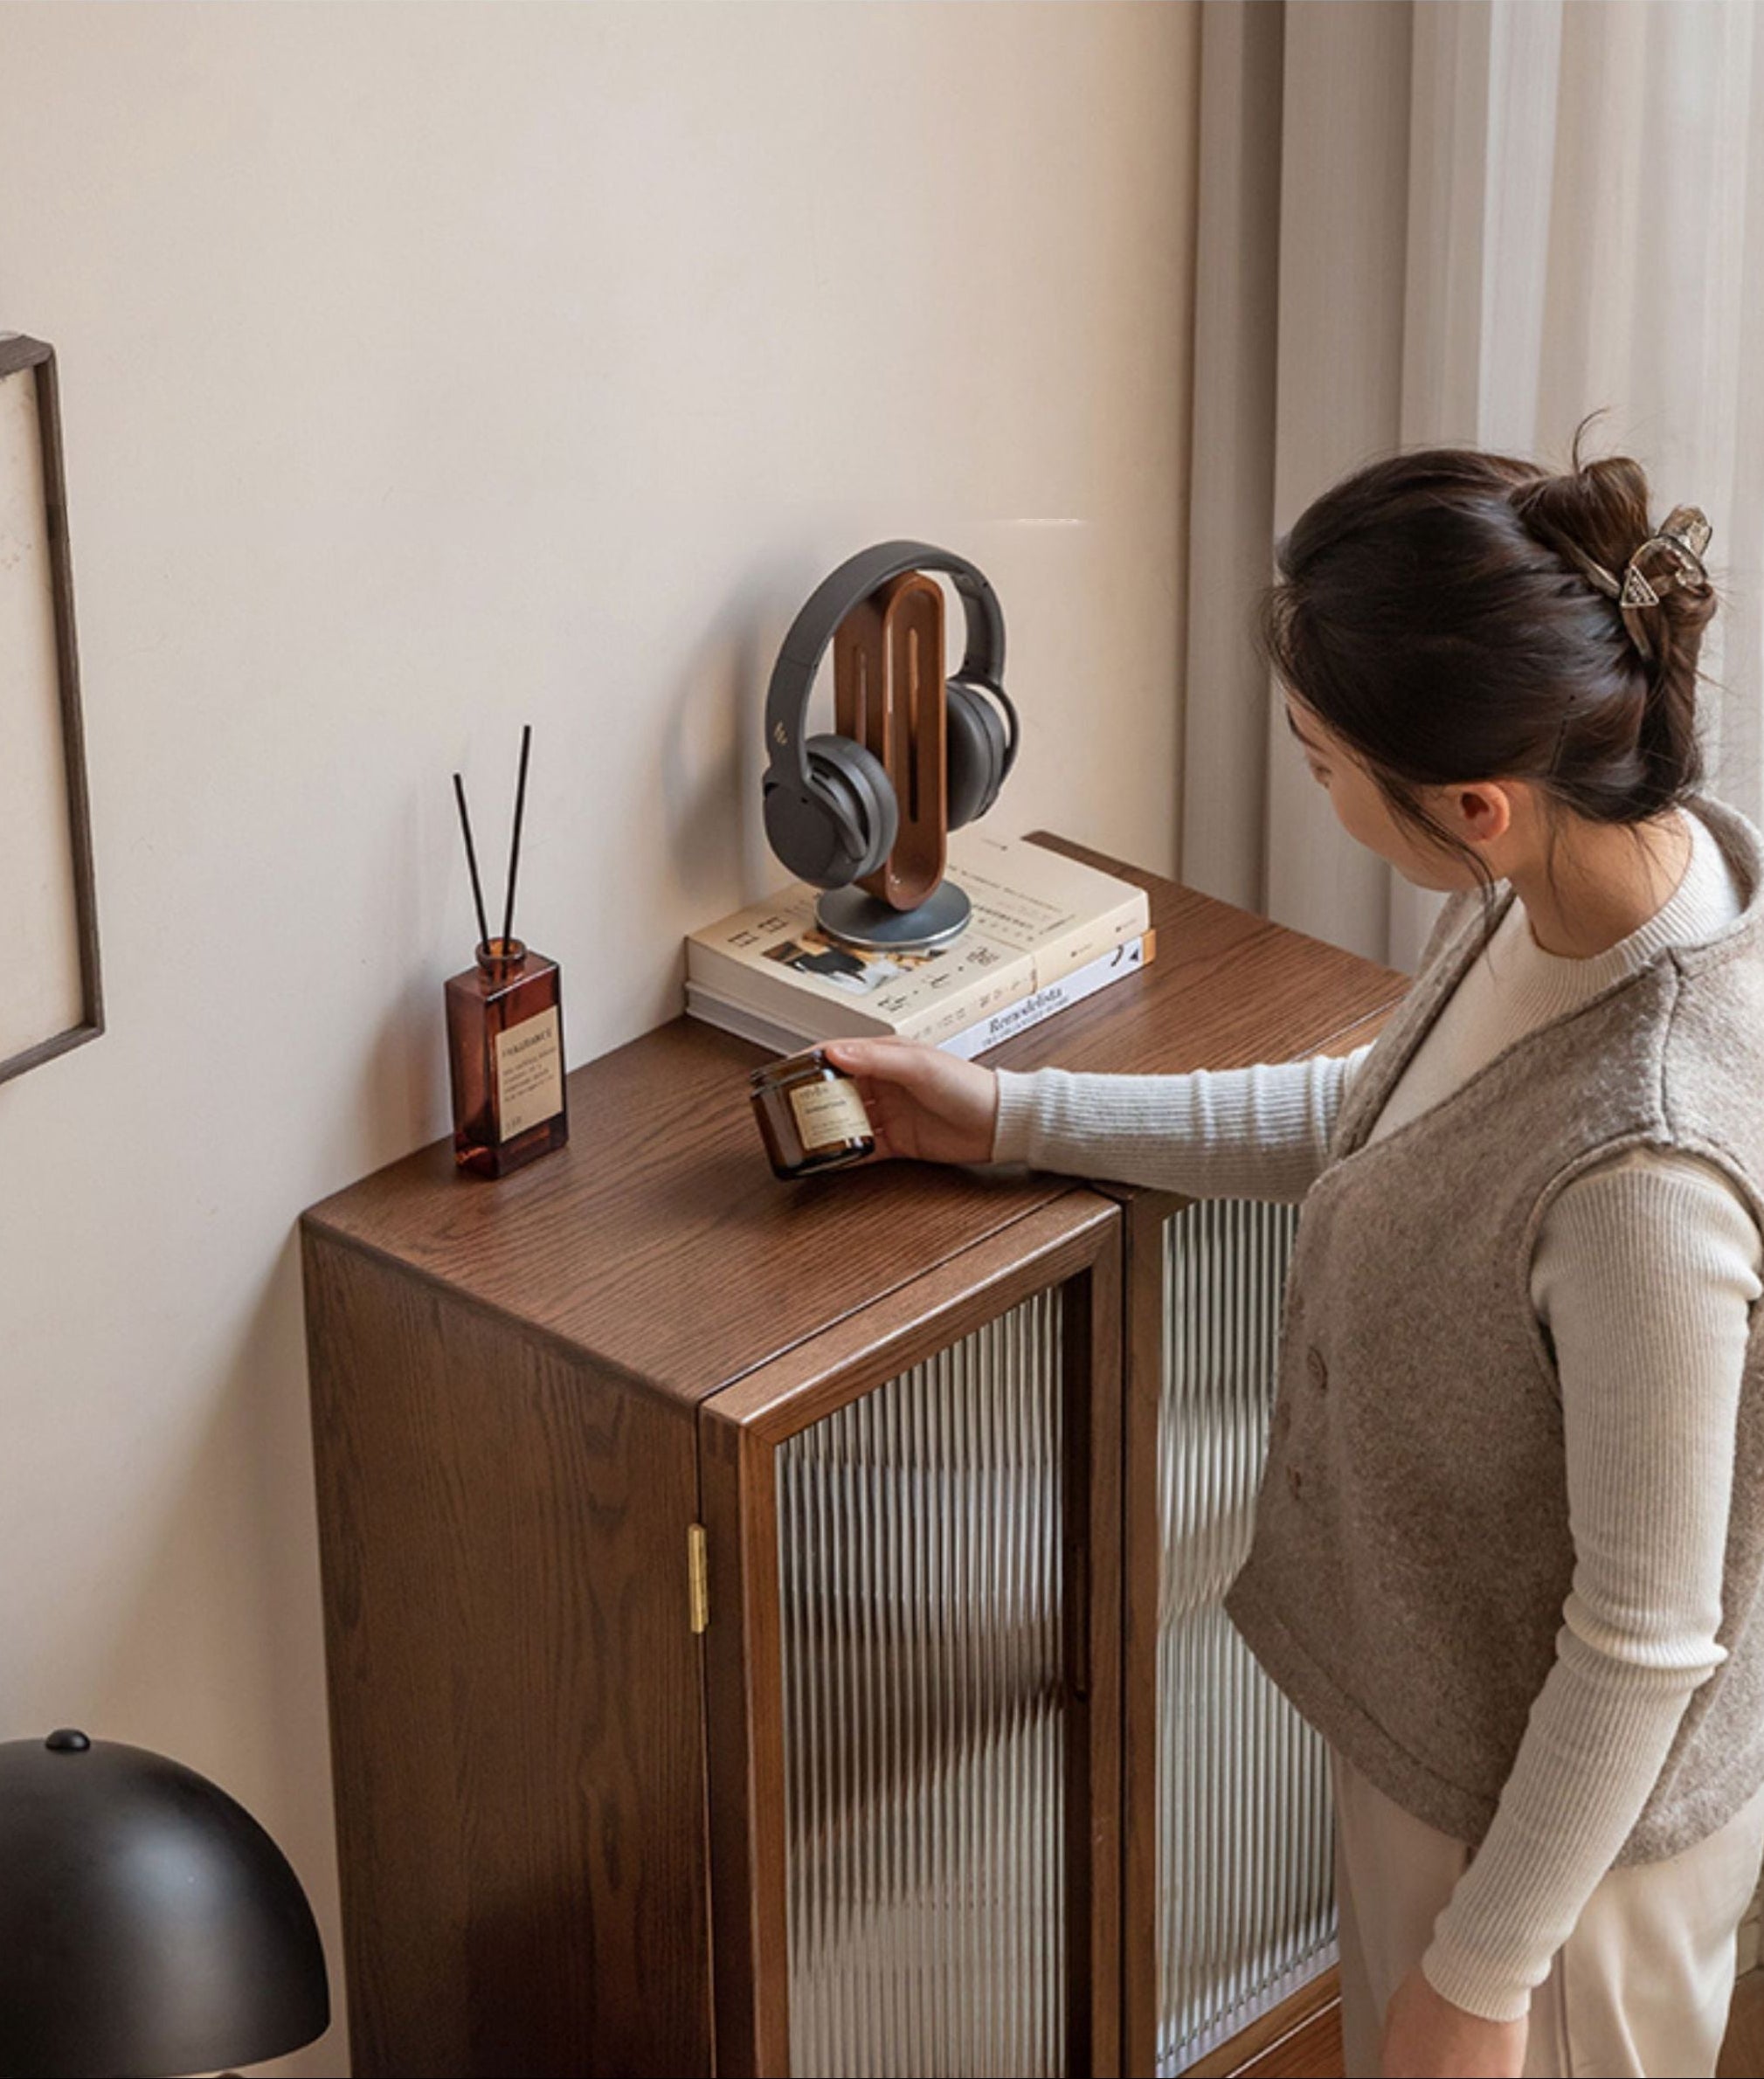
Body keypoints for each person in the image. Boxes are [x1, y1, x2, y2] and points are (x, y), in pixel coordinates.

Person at [820, 425, 1764, 2079]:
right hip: (1462, 1749)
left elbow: (1642, 1637)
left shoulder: (1649, 1166)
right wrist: (1011, 1116)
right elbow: (1390, 1110)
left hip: (1562, 1866)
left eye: (1323, 762)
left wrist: (1481, 1978)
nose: (1313, 788)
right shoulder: (1586, 878)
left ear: (1476, 802)